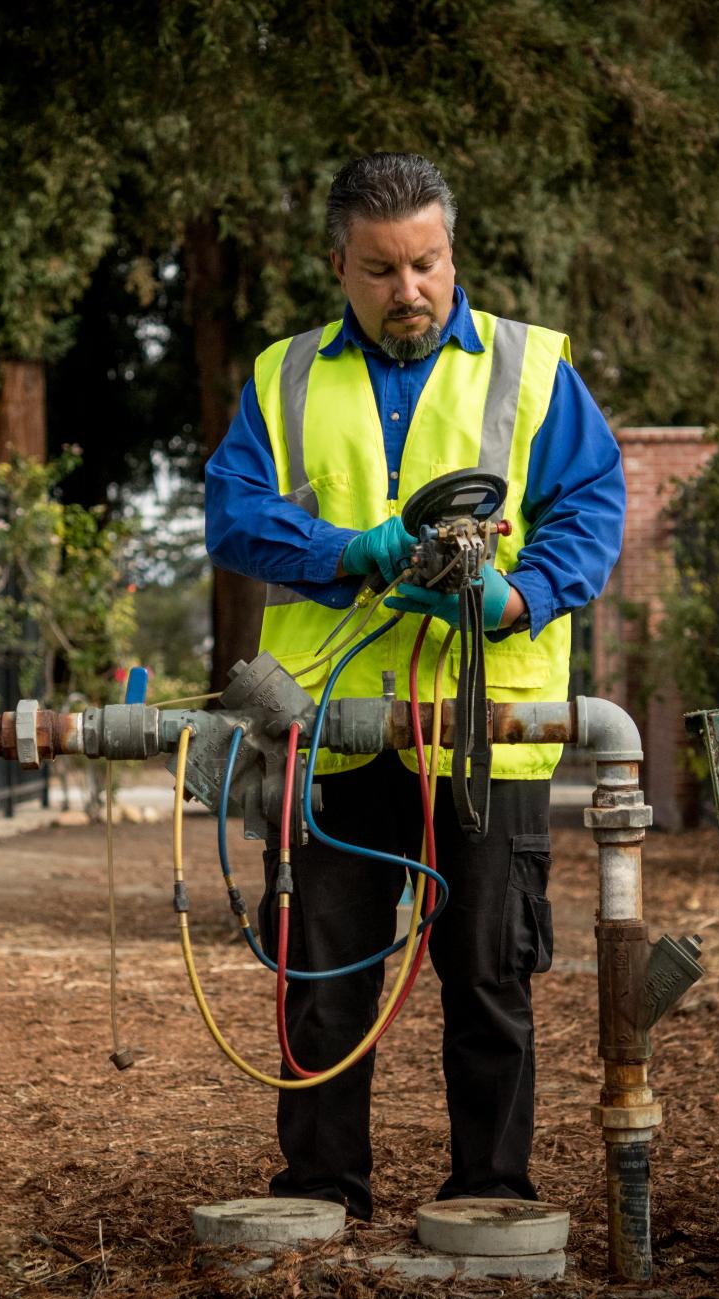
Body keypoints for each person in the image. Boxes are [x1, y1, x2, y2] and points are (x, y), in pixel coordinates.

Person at [202, 152, 626, 1220]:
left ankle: (490, 1192)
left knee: (488, 978)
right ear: (337, 265)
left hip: (482, 732)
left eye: (427, 264)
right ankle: (321, 1190)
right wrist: (356, 549)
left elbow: (590, 507)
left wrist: (519, 600)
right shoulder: (281, 376)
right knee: (322, 974)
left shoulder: (530, 369)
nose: (411, 292)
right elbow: (233, 515)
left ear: (452, 253)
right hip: (328, 737)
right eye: (383, 272)